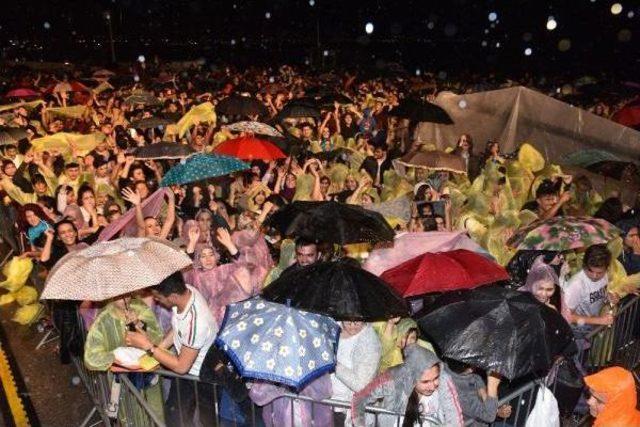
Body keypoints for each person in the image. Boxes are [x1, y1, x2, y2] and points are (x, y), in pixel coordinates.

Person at [125, 271, 218, 426]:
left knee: (204, 420)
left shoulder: (196, 323)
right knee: (175, 417)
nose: (157, 301)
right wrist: (158, 347)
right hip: (188, 372)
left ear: (173, 296)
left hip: (200, 376)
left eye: (159, 298)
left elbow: (181, 367)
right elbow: (177, 327)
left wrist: (149, 347)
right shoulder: (186, 292)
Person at [352, 344, 464, 427]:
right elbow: (359, 399)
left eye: (435, 379)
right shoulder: (392, 378)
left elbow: (455, 418)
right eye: (425, 382)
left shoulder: (444, 379)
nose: (432, 386)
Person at [331, 320, 382, 426]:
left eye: (358, 322)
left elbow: (362, 385)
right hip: (323, 401)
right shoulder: (331, 327)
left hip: (345, 408)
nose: (353, 326)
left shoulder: (370, 341)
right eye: (348, 321)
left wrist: (333, 364)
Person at [562, 244, 617, 335]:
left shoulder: (605, 276)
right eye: (590, 271)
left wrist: (608, 297)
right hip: (577, 332)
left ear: (607, 268)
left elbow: (600, 292)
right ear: (584, 265)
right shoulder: (576, 285)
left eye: (599, 273)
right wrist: (599, 321)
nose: (594, 276)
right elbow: (566, 316)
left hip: (591, 328)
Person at [445, 360, 511, 426]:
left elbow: (484, 396)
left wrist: (497, 411)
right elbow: (489, 416)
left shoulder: (473, 377)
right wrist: (492, 386)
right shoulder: (454, 389)